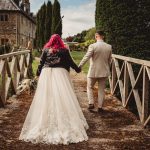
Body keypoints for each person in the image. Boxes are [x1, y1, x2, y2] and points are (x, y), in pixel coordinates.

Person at [19, 34, 89, 145]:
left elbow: (41, 63)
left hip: (46, 74)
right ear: (60, 41)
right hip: (60, 73)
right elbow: (70, 62)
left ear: (50, 41)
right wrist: (78, 69)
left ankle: (44, 120)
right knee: (62, 95)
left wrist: (37, 74)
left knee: (46, 95)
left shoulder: (46, 49)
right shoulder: (64, 50)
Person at [79, 31, 112, 112]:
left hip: (93, 71)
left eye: (95, 36)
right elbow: (109, 60)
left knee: (89, 87)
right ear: (103, 36)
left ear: (96, 36)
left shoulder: (93, 46)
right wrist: (107, 68)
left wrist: (80, 66)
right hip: (104, 71)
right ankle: (100, 107)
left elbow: (86, 57)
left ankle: (91, 103)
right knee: (101, 90)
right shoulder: (109, 46)